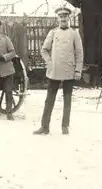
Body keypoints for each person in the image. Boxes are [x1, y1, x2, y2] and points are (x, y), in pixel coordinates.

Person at [33, 7, 84, 135]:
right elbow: (44, 50)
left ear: (69, 18)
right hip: (54, 71)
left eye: (65, 16)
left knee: (67, 99)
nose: (63, 19)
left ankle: (65, 126)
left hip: (69, 71)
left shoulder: (74, 33)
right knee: (49, 99)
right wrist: (50, 62)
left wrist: (78, 70)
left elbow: (79, 53)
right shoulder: (53, 33)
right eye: (61, 17)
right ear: (58, 18)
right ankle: (45, 126)